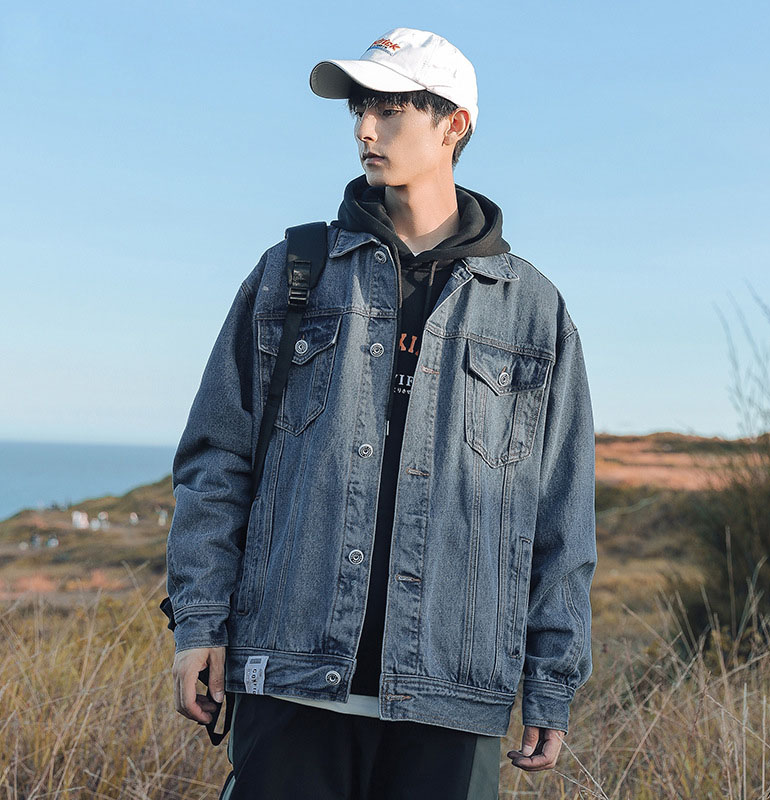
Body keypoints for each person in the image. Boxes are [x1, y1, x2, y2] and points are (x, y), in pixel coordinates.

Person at [167, 26, 597, 800]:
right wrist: (199, 621)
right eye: (359, 108)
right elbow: (217, 460)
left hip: (451, 697)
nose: (366, 128)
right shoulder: (292, 272)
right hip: (291, 679)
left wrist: (552, 679)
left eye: (390, 109)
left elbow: (559, 514)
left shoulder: (532, 310)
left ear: (453, 124)